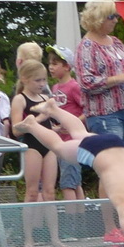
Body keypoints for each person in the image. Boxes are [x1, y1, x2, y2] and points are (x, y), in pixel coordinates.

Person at [15, 99, 124, 247]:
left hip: (116, 144)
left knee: (79, 132)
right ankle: (32, 125)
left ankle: (53, 109)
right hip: (95, 152)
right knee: (59, 147)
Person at [74, 0, 124, 180]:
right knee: (112, 170)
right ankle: (108, 210)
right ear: (98, 17)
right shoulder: (86, 46)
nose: (116, 20)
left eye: (117, 16)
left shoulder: (116, 42)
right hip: (105, 115)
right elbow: (86, 82)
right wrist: (120, 78)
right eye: (112, 16)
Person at [10, 58, 59, 205]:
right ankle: (28, 229)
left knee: (50, 192)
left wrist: (58, 128)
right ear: (24, 79)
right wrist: (37, 120)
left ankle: (54, 229)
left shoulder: (45, 98)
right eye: (38, 80)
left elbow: (48, 125)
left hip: (49, 146)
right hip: (32, 147)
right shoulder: (20, 99)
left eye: (44, 80)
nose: (42, 84)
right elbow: (15, 130)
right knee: (32, 193)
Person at [45, 46, 86, 200]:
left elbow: (87, 111)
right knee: (75, 183)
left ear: (67, 66)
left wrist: (71, 125)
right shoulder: (55, 87)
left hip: (72, 142)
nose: (51, 67)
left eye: (55, 63)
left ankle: (73, 222)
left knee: (67, 185)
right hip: (60, 142)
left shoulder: (74, 86)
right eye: (50, 63)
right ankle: (82, 218)